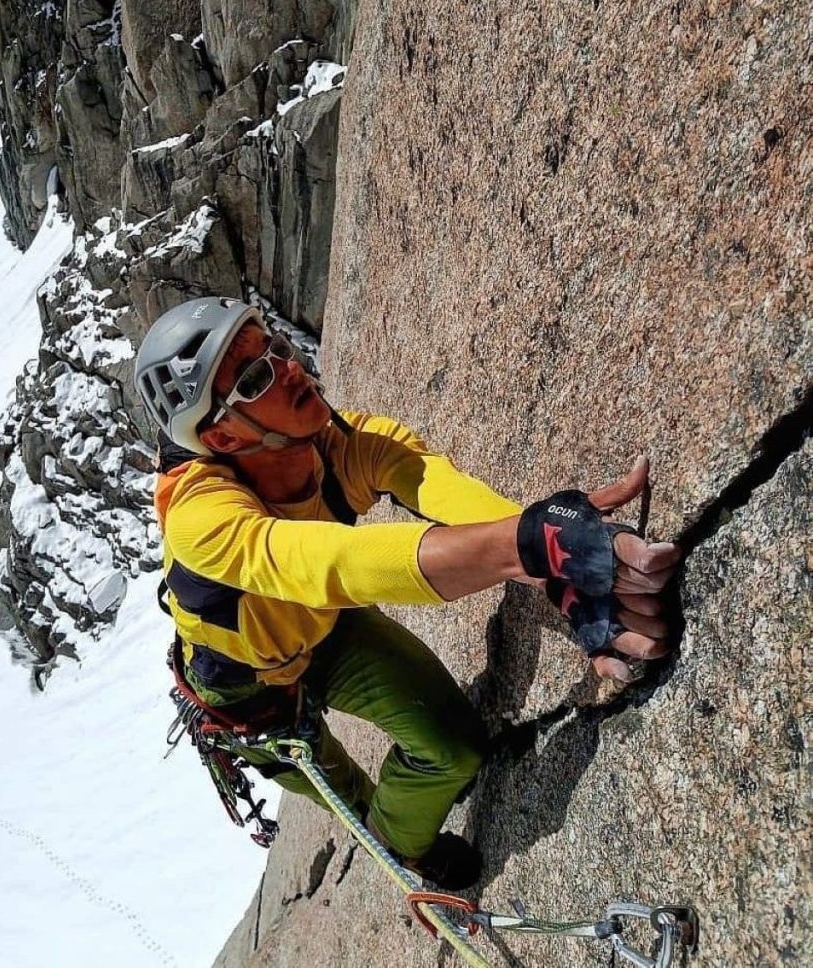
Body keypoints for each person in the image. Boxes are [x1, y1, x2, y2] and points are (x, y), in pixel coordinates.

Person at [134, 297, 679, 889]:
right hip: (245, 692)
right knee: (344, 789)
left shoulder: (339, 444)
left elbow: (433, 486)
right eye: (255, 375)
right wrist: (533, 546)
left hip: (322, 627)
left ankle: (399, 834)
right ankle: (407, 850)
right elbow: (325, 562)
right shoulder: (198, 517)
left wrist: (555, 566)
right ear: (223, 435)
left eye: (274, 345)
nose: (289, 366)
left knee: (453, 747)